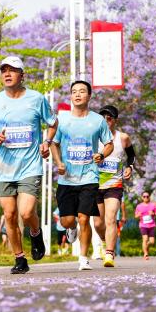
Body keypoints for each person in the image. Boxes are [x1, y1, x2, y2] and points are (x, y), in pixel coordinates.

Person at [0, 55, 57, 274]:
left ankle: (35, 233)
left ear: (22, 75)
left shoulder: (36, 99)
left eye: (12, 70)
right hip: (4, 168)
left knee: (26, 212)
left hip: (30, 166)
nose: (7, 73)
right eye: (4, 70)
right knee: (10, 215)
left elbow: (52, 123)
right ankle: (20, 259)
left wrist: (47, 142)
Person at [49, 80, 113, 271]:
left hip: (89, 177)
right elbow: (54, 143)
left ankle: (83, 258)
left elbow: (109, 144)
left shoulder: (98, 121)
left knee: (84, 218)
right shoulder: (62, 120)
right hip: (67, 179)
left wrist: (101, 155)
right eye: (74, 91)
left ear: (89, 96)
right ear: (71, 96)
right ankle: (71, 228)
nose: (77, 94)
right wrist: (59, 163)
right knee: (67, 220)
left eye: (82, 91)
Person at [94, 105, 135, 268]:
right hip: (95, 185)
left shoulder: (122, 138)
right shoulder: (93, 137)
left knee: (111, 218)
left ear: (115, 120)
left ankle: (109, 254)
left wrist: (129, 167)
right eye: (102, 118)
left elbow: (131, 155)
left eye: (109, 118)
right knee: (98, 224)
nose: (106, 121)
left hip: (114, 185)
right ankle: (104, 241)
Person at [134, 192, 156, 259]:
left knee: (152, 242)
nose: (146, 198)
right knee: (145, 239)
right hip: (143, 225)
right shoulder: (139, 206)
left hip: (151, 225)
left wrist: (153, 213)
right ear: (142, 197)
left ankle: (146, 246)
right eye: (144, 196)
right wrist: (138, 215)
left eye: (147, 196)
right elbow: (135, 216)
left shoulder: (153, 205)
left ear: (149, 197)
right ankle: (145, 254)